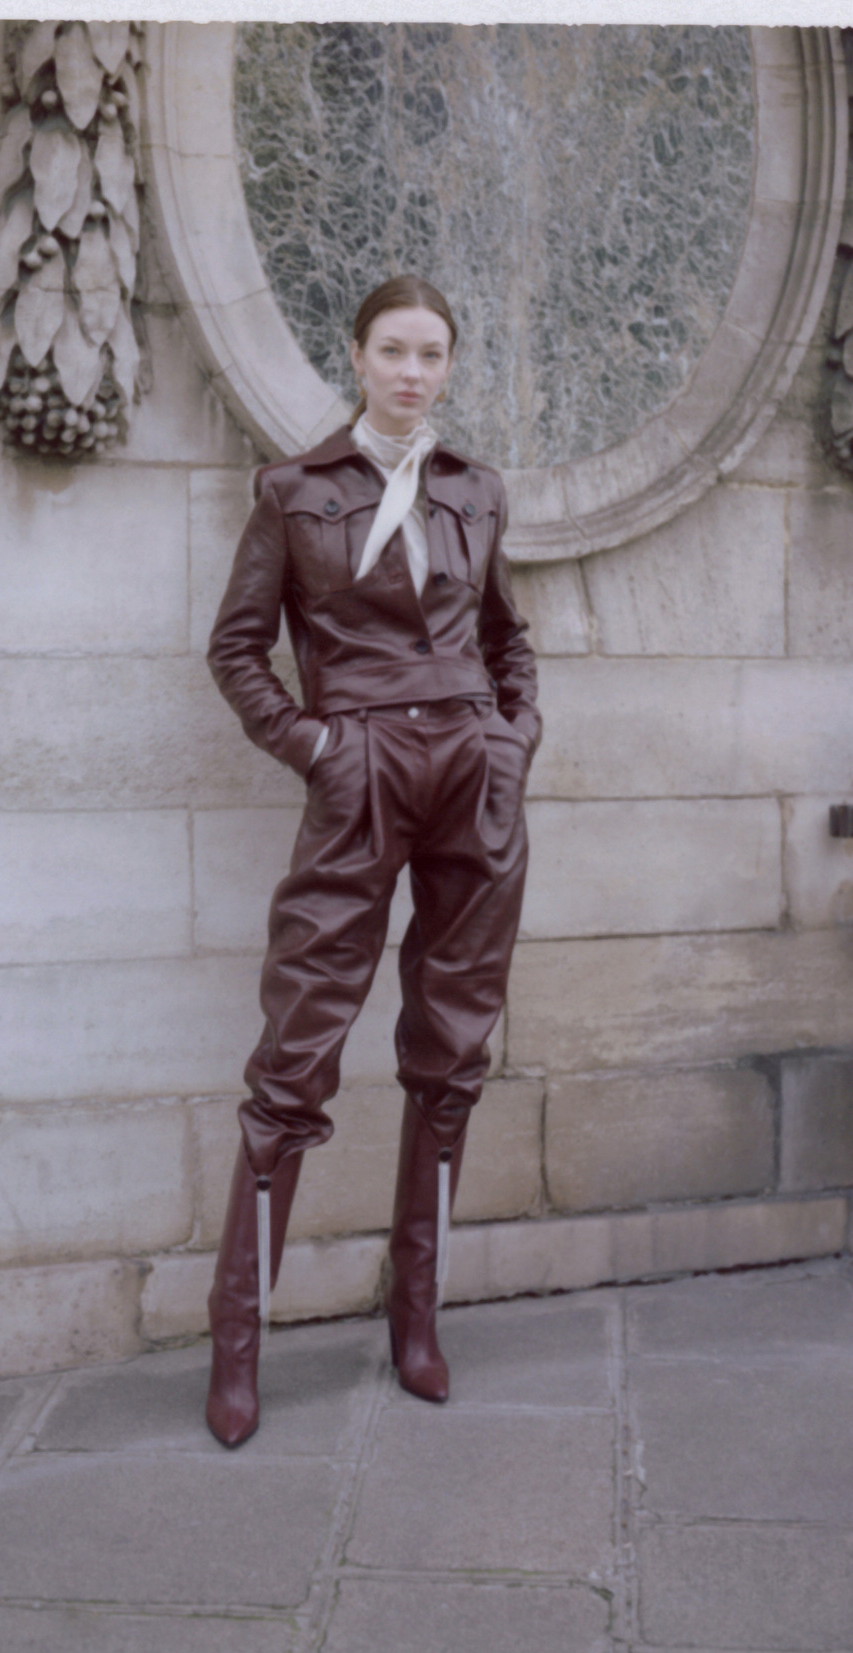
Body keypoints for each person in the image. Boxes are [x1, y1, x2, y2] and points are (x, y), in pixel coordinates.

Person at [204, 274, 541, 1448]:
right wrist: (315, 748)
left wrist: (510, 740)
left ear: (446, 367)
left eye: (430, 354)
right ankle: (237, 1340)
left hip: (470, 781)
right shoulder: (293, 491)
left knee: (450, 1055)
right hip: (358, 776)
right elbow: (236, 649)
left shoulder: (475, 490)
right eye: (393, 350)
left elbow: (507, 639)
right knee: (295, 1056)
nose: (411, 372)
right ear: (355, 357)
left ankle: (416, 1316)